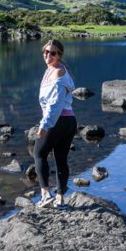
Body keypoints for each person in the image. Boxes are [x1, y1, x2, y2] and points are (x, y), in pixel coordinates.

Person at [33, 39, 77, 207]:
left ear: (59, 55)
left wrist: (45, 125)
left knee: (39, 154)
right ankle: (60, 199)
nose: (48, 55)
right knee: (61, 159)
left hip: (57, 121)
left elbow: (55, 105)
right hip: (69, 121)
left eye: (52, 53)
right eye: (45, 52)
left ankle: (46, 194)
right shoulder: (52, 69)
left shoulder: (58, 73)